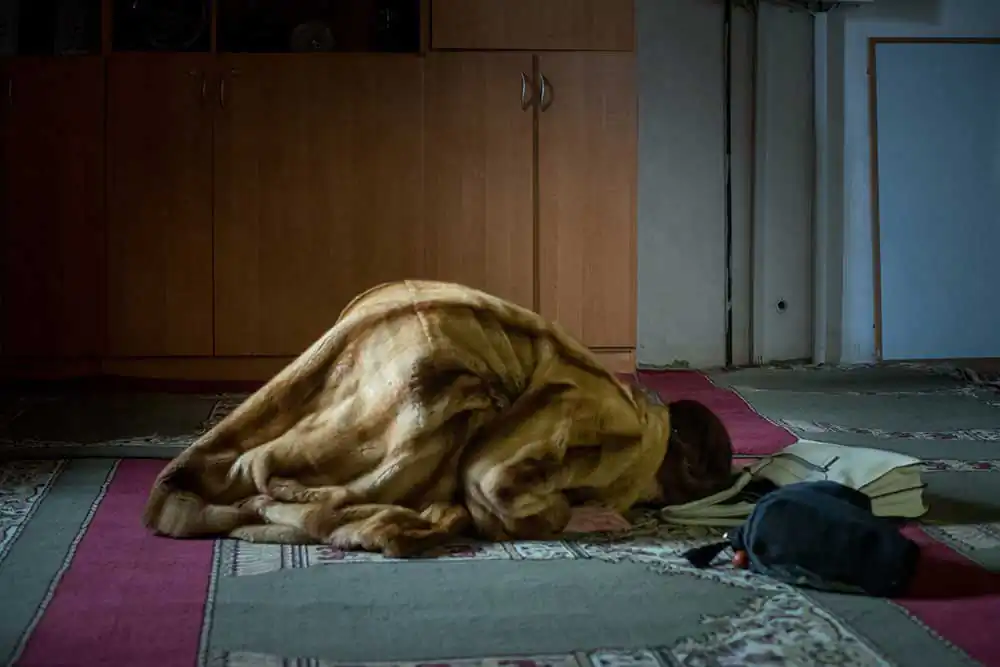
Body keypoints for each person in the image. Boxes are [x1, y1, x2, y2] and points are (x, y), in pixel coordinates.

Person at [143, 280, 735, 557]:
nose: (646, 504)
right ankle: (211, 488)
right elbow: (492, 480)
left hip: (407, 313)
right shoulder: (625, 435)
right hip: (436, 365)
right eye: (658, 499)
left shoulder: (618, 399)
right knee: (356, 477)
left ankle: (209, 479)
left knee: (303, 441)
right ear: (674, 472)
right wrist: (558, 517)